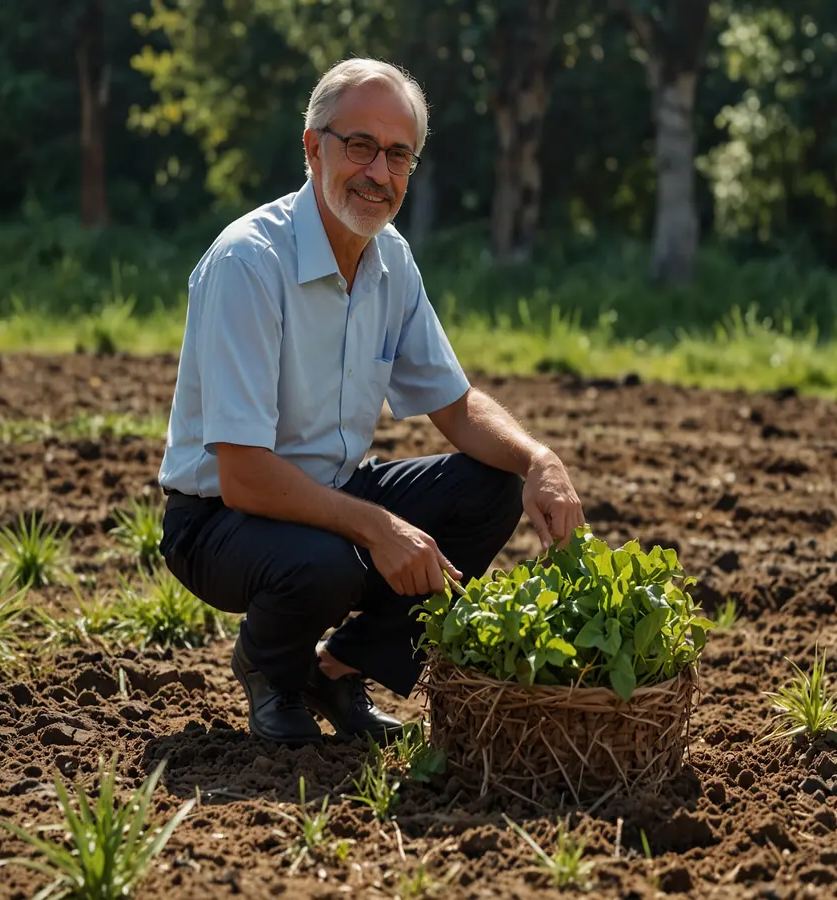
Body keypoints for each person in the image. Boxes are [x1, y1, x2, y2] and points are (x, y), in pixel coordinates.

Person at [155, 57, 585, 748]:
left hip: (328, 495)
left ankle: (336, 669)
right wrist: (379, 529)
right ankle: (271, 670)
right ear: (312, 147)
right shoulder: (249, 263)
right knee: (327, 562)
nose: (378, 173)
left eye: (398, 155)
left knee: (490, 488)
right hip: (217, 522)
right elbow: (244, 476)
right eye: (359, 146)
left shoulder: (392, 261)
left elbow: (455, 406)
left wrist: (540, 460)